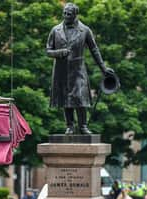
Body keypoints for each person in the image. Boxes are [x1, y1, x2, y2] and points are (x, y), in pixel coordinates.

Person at [46, 2, 114, 134]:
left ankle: (83, 126)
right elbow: (48, 51)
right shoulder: (55, 30)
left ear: (75, 14)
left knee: (80, 97)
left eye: (69, 14)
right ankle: (69, 126)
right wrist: (59, 53)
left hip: (78, 69)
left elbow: (94, 49)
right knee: (65, 98)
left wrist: (103, 68)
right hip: (61, 70)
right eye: (64, 13)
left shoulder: (85, 30)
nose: (65, 16)